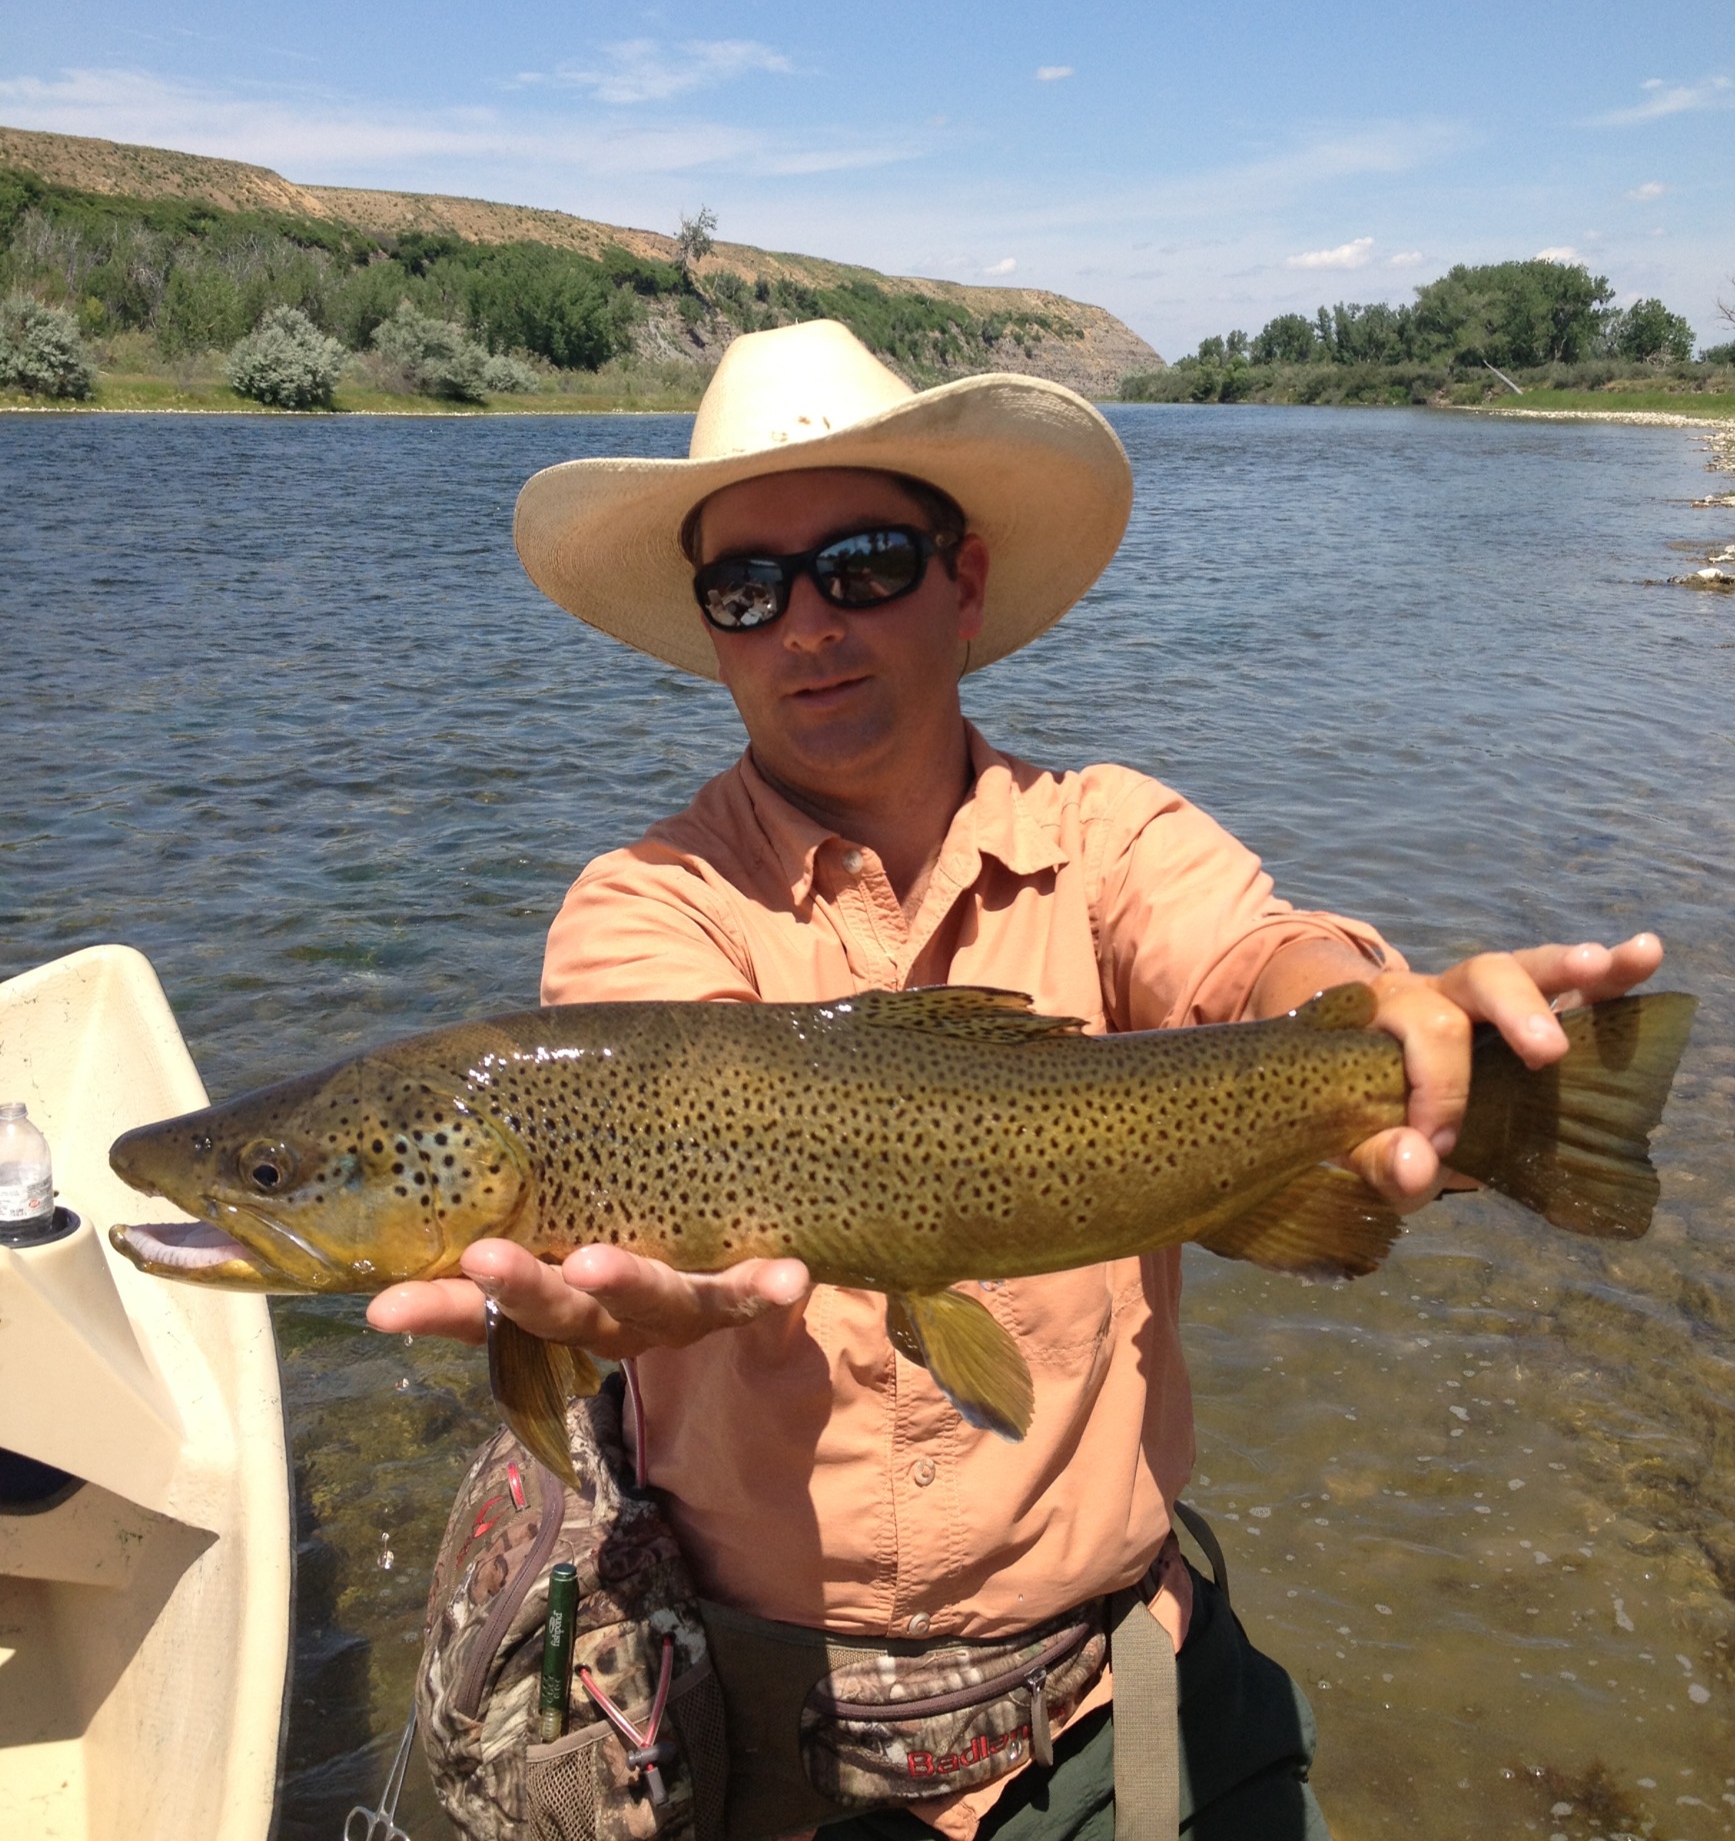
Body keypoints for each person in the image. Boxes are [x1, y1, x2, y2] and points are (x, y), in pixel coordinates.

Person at [370, 319, 1660, 1839]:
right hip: (777, 1745)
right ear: (712, 626)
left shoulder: (1108, 833)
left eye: (862, 563)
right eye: (747, 588)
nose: (807, 625)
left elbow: (1253, 955)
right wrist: (635, 1296)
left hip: (1127, 1692)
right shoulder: (647, 902)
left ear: (962, 579)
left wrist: (1377, 1016)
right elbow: (661, 1086)